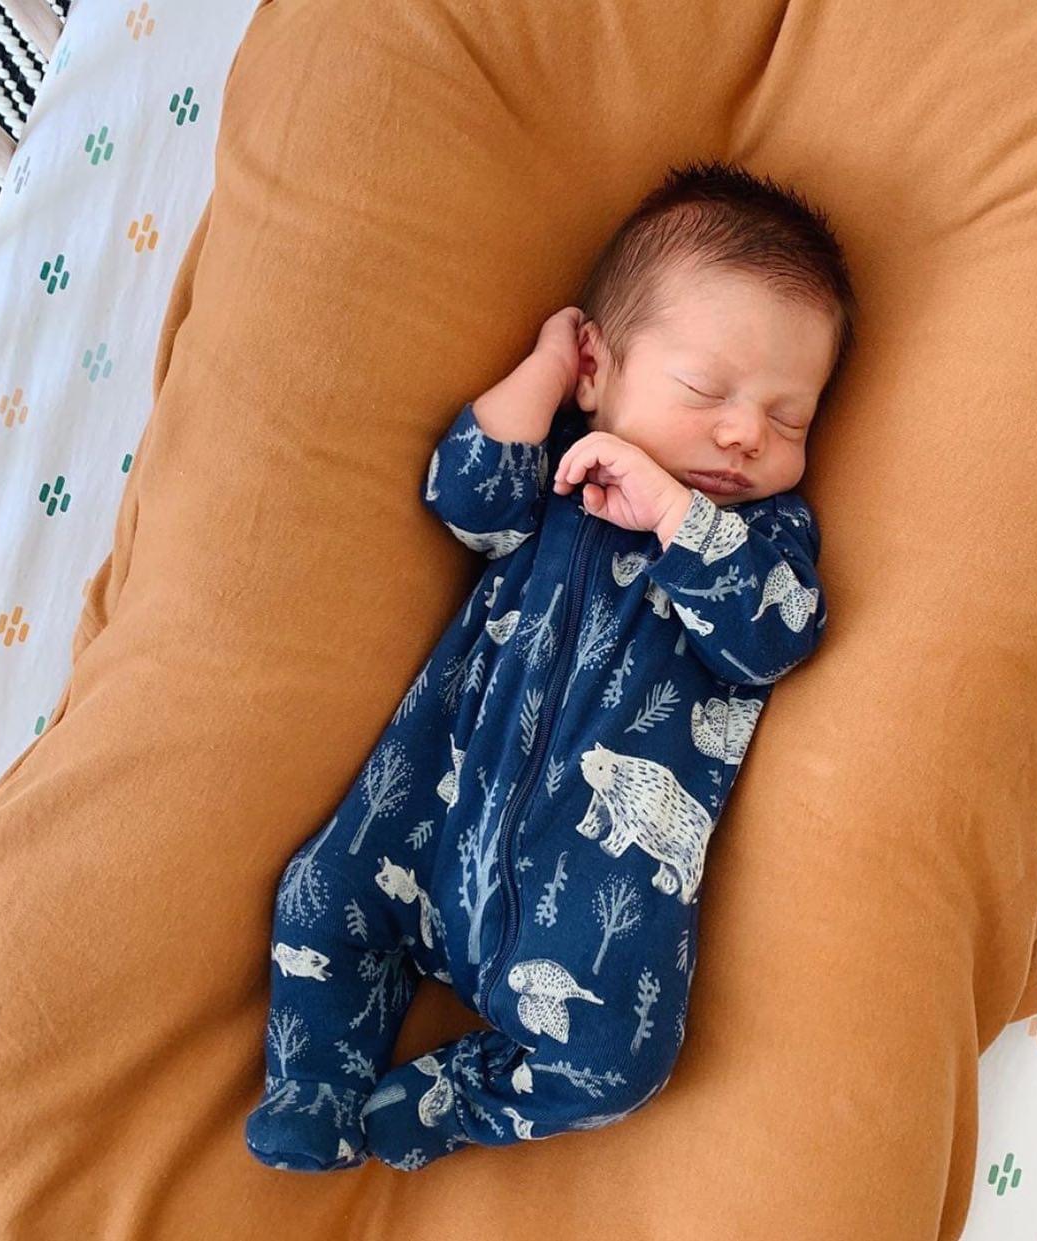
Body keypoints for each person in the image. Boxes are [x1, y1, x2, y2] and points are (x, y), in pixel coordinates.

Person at [244, 157, 857, 1173]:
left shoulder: (760, 536)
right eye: (704, 390)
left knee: (621, 1058)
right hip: (430, 810)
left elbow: (772, 639)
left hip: (584, 905)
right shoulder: (562, 468)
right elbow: (465, 502)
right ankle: (314, 1081)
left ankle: (450, 1098)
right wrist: (544, 371)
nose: (745, 433)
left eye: (788, 417)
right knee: (317, 893)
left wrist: (676, 514)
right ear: (599, 368)